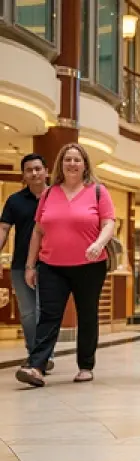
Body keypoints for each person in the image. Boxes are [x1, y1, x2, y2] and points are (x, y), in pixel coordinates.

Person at [15, 143, 116, 387]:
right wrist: (30, 265)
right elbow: (38, 232)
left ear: (85, 165)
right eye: (67, 159)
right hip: (51, 266)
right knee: (48, 315)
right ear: (61, 164)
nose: (72, 164)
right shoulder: (49, 194)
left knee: (87, 314)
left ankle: (85, 365)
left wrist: (98, 244)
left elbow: (109, 223)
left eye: (76, 160)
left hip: (89, 265)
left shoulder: (98, 192)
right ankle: (36, 366)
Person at [0, 154, 52, 370]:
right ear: (24, 174)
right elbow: (3, 229)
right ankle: (36, 355)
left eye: (38, 168)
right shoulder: (15, 200)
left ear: (46, 171)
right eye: (29, 170)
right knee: (29, 312)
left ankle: (41, 355)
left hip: (52, 264)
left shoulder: (57, 197)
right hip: (21, 265)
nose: (34, 173)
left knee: (46, 311)